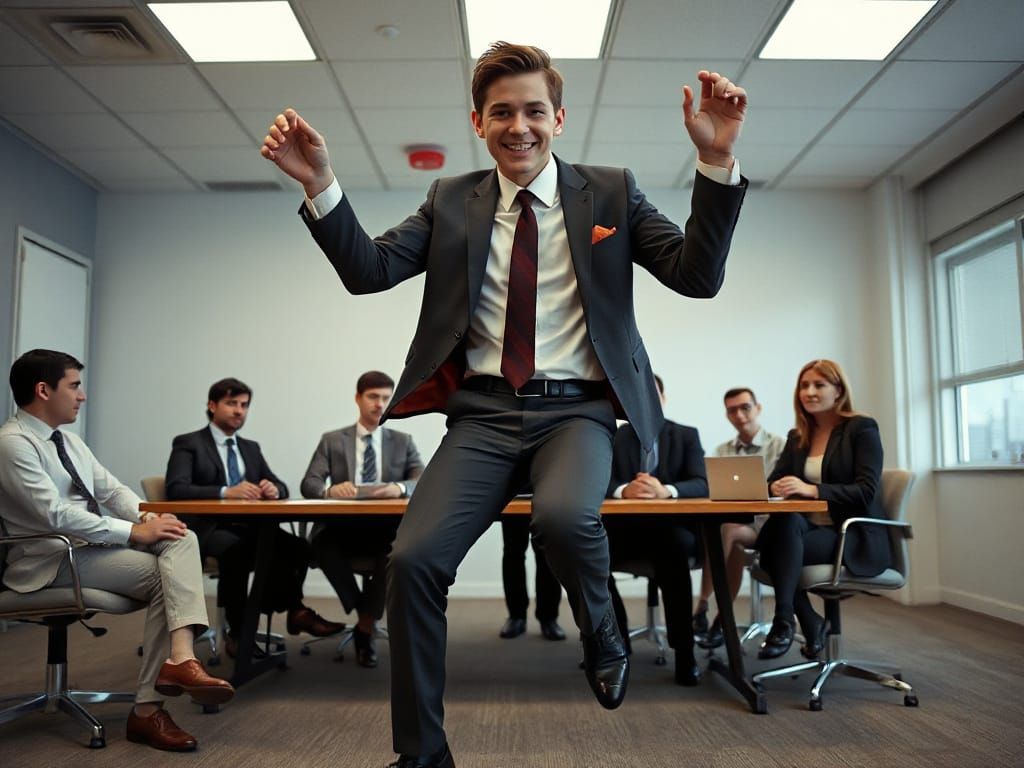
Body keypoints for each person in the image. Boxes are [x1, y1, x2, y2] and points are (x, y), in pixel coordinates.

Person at [262, 41, 747, 768]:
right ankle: (423, 755)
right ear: (477, 122)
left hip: (578, 411)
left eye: (532, 111)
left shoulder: (610, 192)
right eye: (500, 113)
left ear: (559, 117)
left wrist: (715, 163)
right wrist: (323, 186)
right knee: (415, 561)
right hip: (483, 414)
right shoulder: (453, 199)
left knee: (561, 517)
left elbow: (697, 276)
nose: (517, 126)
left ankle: (604, 628)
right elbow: (370, 272)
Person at [0, 349, 235, 752]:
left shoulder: (68, 442)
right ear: (43, 390)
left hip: (89, 550)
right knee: (171, 572)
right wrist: (133, 533)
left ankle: (177, 663)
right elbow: (53, 515)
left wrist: (145, 522)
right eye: (74, 386)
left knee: (182, 539)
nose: (82, 395)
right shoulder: (13, 445)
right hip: (51, 560)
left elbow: (112, 490)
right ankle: (149, 708)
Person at [164, 377, 343, 658]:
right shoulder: (189, 443)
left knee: (299, 548)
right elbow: (176, 489)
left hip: (250, 525)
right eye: (231, 403)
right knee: (239, 552)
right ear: (212, 406)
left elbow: (280, 485)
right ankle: (239, 634)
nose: (239, 411)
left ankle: (291, 610)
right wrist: (226, 491)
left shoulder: (250, 448)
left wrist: (273, 489)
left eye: (244, 405)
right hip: (209, 528)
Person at [756, 359, 889, 661]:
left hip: (848, 533)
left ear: (838, 390)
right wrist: (774, 487)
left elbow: (866, 490)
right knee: (784, 526)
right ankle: (797, 620)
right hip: (806, 529)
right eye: (804, 385)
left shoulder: (861, 428)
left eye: (819, 385)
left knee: (773, 550)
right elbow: (773, 479)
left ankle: (789, 621)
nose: (810, 392)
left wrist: (813, 489)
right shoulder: (799, 435)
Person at [300, 370, 424, 667]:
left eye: (385, 398)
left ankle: (365, 624)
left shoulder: (402, 440)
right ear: (358, 398)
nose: (380, 404)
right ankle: (365, 615)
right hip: (341, 526)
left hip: (384, 527)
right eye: (373, 397)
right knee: (321, 544)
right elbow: (309, 483)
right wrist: (330, 490)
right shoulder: (332, 440)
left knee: (394, 549)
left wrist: (400, 487)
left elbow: (422, 477)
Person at [604, 374, 706, 686]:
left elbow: (702, 483)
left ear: (663, 399)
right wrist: (624, 491)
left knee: (672, 548)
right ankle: (614, 640)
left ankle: (684, 651)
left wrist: (667, 491)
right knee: (584, 550)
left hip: (672, 532)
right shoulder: (612, 436)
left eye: (653, 395)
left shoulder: (686, 435)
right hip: (625, 532)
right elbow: (596, 481)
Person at [693, 387, 786, 648]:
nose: (739, 414)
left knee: (727, 531)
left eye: (745, 407)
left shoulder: (780, 446)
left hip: (767, 525)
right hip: (732, 523)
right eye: (732, 410)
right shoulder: (722, 451)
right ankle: (721, 619)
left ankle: (702, 606)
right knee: (726, 532)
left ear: (758, 408)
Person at [498, 515, 564, 640]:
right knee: (513, 552)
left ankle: (549, 618)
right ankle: (516, 616)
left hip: (547, 499)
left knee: (547, 553)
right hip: (513, 498)